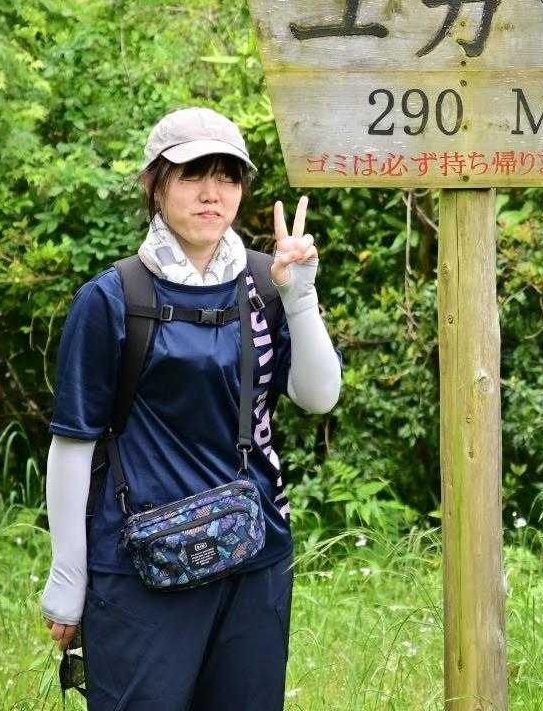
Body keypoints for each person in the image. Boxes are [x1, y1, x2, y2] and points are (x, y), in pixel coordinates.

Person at [39, 107, 341, 709]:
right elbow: (72, 443)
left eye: (227, 177)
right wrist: (68, 578)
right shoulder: (113, 297)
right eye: (192, 175)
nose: (212, 193)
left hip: (253, 554)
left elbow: (318, 396)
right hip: (140, 564)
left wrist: (300, 296)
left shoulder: (268, 282)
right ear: (156, 185)